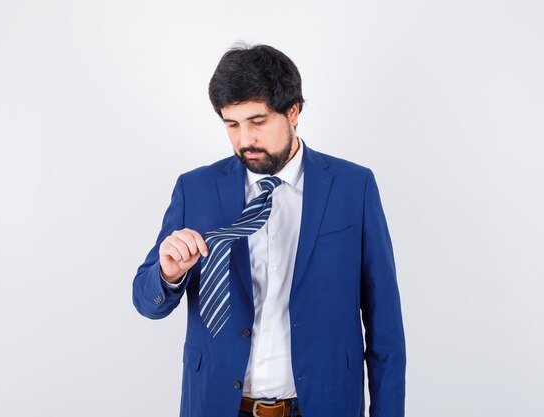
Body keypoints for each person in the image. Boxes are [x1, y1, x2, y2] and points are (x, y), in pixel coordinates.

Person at [132, 43, 406, 417]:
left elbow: (384, 325)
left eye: (257, 122)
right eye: (232, 124)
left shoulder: (352, 187)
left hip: (324, 404)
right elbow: (146, 301)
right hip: (218, 405)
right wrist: (168, 273)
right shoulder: (194, 189)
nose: (244, 140)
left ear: (293, 112)